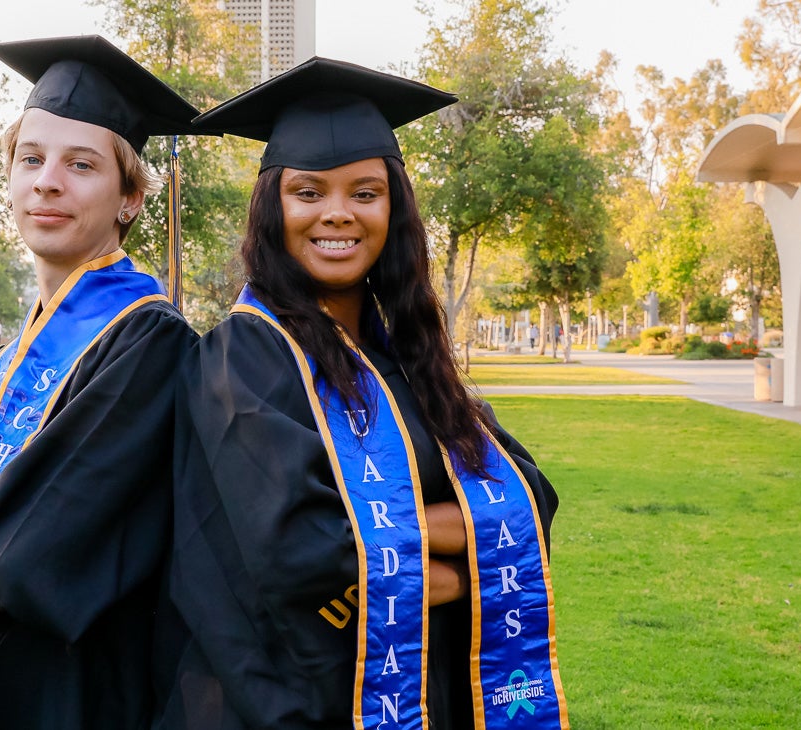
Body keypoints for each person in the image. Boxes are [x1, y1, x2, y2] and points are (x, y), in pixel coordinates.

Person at [158, 59, 569, 730]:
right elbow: (301, 555)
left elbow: (525, 498)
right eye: (309, 192)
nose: (338, 214)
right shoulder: (245, 355)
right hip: (285, 698)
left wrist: (391, 547)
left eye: (365, 193)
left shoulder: (411, 359)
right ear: (274, 208)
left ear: (393, 209)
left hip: (421, 685)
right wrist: (465, 577)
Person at [0, 35, 200, 730]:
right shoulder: (5, 360)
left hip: (82, 688)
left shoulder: (152, 341)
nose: (47, 181)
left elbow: (37, 549)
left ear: (131, 198)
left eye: (81, 165)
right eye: (31, 159)